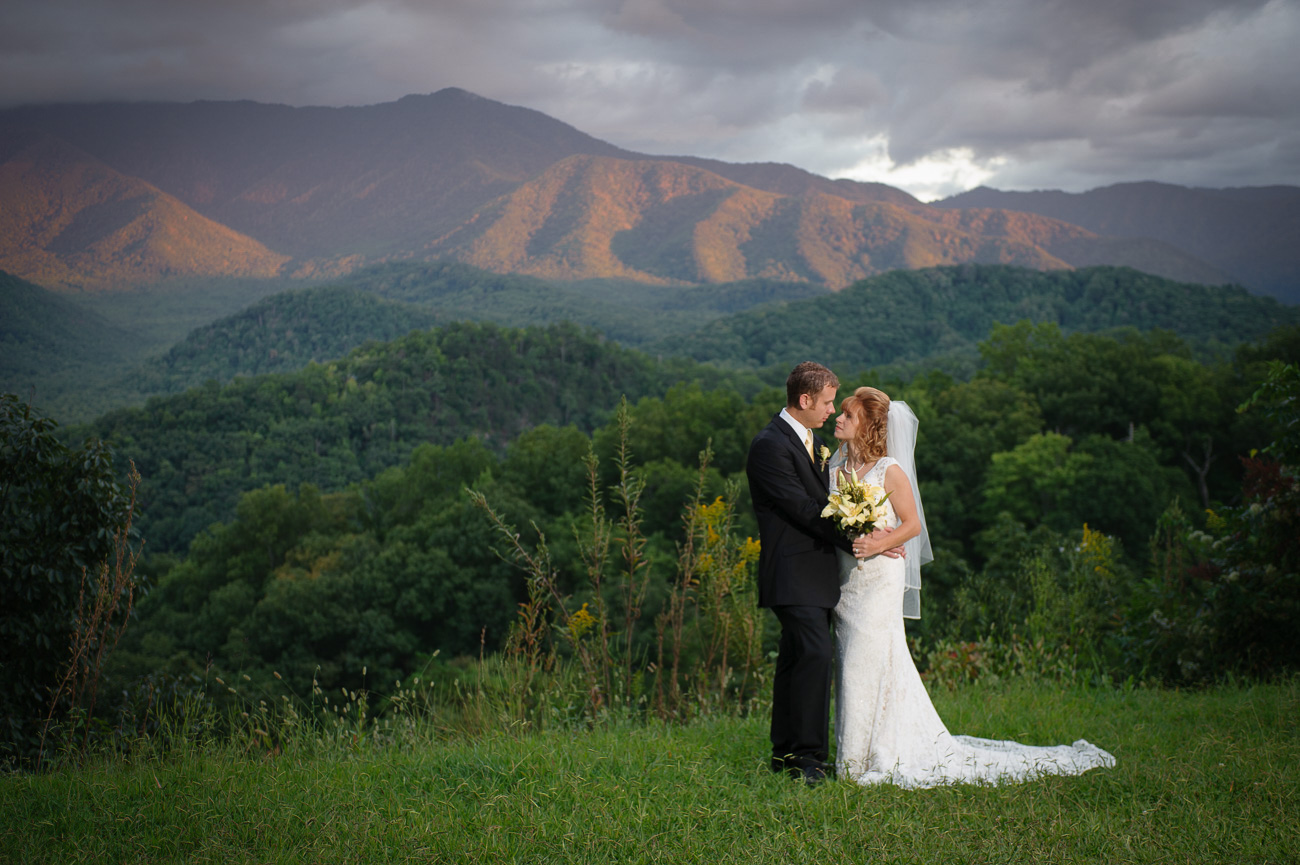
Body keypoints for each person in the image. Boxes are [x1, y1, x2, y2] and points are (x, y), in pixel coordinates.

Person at [829, 386, 1116, 787]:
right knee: (851, 663)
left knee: (865, 658)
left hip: (880, 579)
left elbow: (912, 526)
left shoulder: (888, 469)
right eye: (840, 413)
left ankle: (860, 762)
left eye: (848, 415)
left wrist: (880, 541)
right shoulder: (836, 465)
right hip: (848, 582)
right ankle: (856, 750)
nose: (839, 419)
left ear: (868, 427)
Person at [745, 362, 897, 786]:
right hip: (792, 573)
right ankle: (808, 761)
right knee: (815, 655)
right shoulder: (769, 445)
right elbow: (806, 510)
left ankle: (786, 753)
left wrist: (880, 538)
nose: (832, 410)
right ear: (805, 400)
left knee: (796, 660)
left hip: (814, 574)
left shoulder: (810, 441)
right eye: (828, 402)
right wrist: (868, 535)